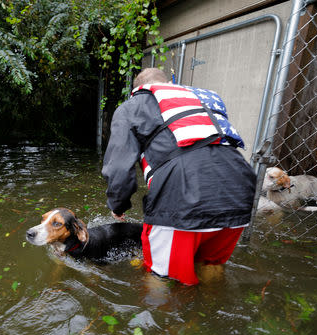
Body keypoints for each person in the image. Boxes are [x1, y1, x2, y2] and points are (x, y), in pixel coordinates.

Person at [102, 68, 256, 285]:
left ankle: (164, 318)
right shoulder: (199, 99)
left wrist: (118, 206)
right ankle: (211, 307)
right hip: (240, 187)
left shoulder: (131, 107)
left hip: (182, 193)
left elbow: (119, 167)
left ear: (136, 91)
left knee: (160, 278)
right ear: (171, 83)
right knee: (211, 265)